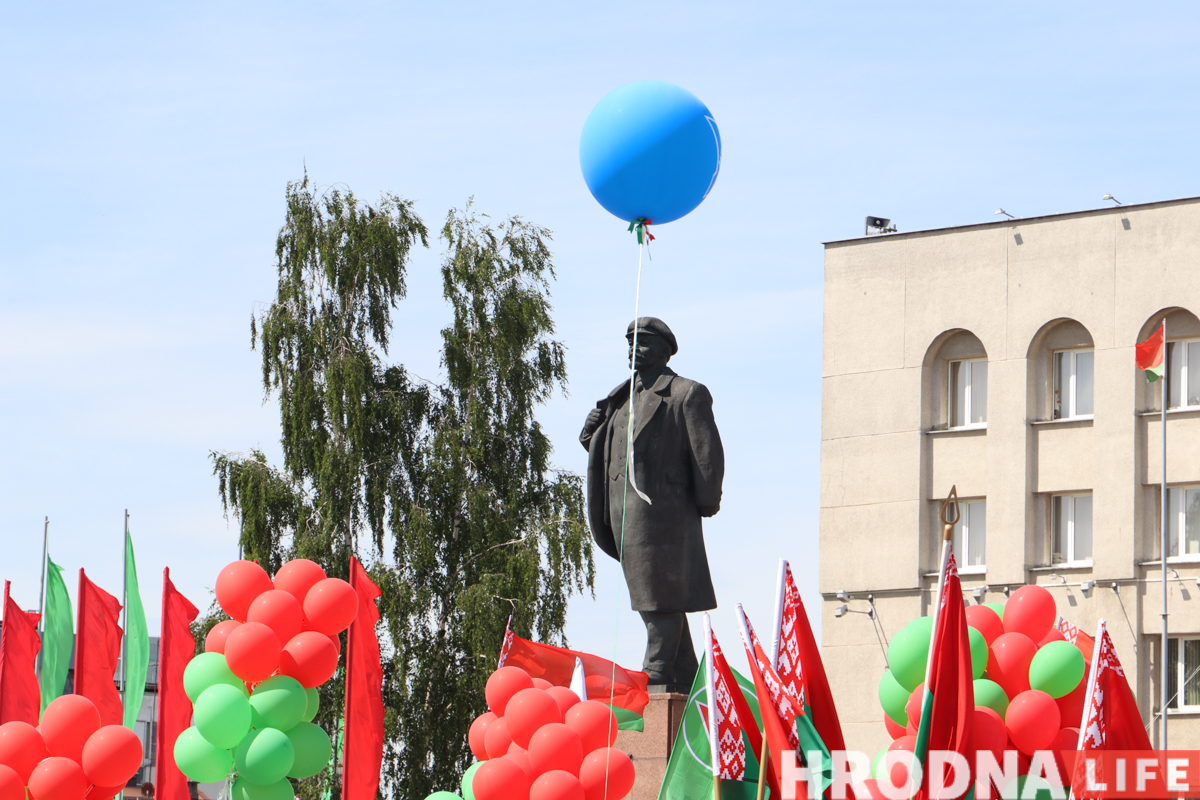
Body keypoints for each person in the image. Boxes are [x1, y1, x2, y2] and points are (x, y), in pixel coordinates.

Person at [580, 317, 724, 690]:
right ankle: (687, 674)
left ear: (663, 350)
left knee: (658, 591)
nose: (633, 349)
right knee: (652, 589)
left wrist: (708, 499)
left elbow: (707, 452)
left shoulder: (685, 393)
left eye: (642, 342)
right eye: (630, 343)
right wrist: (591, 431)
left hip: (663, 514)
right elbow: (612, 449)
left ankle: (657, 667)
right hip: (621, 511)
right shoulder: (619, 398)